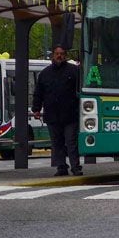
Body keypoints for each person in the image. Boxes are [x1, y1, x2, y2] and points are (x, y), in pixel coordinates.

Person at [32, 44, 82, 176]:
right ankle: (61, 167)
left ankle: (76, 167)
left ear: (65, 55)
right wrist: (36, 109)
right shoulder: (45, 73)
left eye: (61, 53)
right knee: (57, 143)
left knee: (71, 142)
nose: (59, 56)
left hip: (70, 114)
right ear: (53, 55)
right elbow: (38, 93)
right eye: (57, 53)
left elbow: (80, 91)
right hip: (52, 115)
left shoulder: (74, 71)